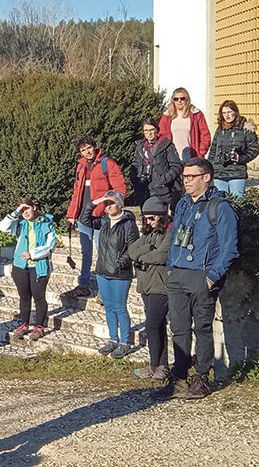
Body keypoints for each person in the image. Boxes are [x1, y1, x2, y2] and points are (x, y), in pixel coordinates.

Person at [158, 158, 239, 401]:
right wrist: (171, 268)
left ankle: (202, 377)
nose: (186, 181)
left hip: (202, 275)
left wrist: (212, 278)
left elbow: (229, 248)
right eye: (184, 177)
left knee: (202, 328)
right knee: (179, 328)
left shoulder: (220, 207)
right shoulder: (183, 204)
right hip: (178, 274)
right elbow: (174, 237)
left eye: (191, 177)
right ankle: (179, 377)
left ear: (206, 177)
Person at [65, 136, 127, 298]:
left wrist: (113, 208)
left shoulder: (107, 164)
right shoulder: (81, 166)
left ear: (94, 147)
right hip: (84, 216)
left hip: (101, 216)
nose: (87, 152)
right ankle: (84, 285)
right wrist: (71, 214)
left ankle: (104, 289)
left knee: (103, 252)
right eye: (83, 150)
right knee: (86, 252)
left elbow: (119, 188)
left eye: (89, 148)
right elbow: (76, 192)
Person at [83, 190, 139, 359]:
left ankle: (125, 342)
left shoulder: (128, 223)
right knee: (108, 307)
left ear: (120, 204)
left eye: (111, 203)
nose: (108, 206)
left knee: (120, 307)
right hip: (102, 272)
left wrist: (118, 264)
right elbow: (84, 219)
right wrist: (96, 201)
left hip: (120, 274)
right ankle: (113, 339)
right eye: (106, 204)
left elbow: (133, 248)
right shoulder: (104, 221)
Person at [0, 198, 57, 341]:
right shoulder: (20, 224)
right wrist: (16, 211)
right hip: (20, 266)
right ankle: (24, 324)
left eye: (27, 209)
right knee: (24, 297)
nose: (25, 212)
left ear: (34, 207)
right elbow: (3, 227)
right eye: (22, 210)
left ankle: (39, 326)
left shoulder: (46, 223)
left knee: (39, 297)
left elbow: (50, 245)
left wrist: (33, 254)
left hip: (39, 266)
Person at [127, 197, 171, 380]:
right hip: (146, 285)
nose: (149, 222)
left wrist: (142, 257)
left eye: (152, 218)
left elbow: (161, 256)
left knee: (152, 325)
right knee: (158, 326)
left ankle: (155, 365)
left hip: (161, 286)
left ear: (161, 216)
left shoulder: (169, 232)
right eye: (146, 219)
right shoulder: (149, 234)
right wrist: (148, 248)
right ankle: (161, 365)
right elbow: (131, 251)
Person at [207, 100, 259, 198]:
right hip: (219, 173)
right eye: (224, 113)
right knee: (219, 202)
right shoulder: (220, 128)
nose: (227, 115)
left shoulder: (246, 128)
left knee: (237, 202)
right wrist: (209, 168)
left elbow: (254, 150)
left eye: (229, 112)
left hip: (237, 172)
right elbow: (213, 150)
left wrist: (240, 158)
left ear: (235, 112)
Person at [130, 119, 182, 208]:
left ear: (157, 130)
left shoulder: (166, 145)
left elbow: (176, 166)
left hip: (163, 188)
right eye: (146, 130)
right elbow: (136, 164)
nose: (149, 133)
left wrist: (162, 180)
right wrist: (135, 179)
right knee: (145, 213)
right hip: (144, 188)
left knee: (160, 214)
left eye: (151, 130)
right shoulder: (140, 147)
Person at [158, 87, 211, 161]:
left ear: (187, 99)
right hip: (172, 158)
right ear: (173, 100)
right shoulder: (167, 116)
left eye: (182, 98)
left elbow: (205, 136)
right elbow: (162, 136)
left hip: (192, 157)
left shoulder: (196, 115)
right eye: (176, 99)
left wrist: (200, 153)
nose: (179, 101)